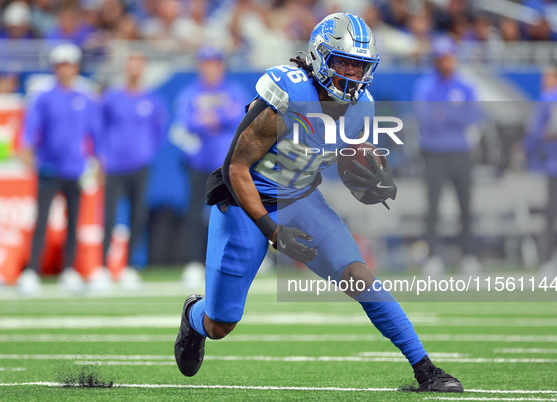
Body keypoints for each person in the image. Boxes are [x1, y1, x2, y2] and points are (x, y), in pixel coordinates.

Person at [174, 13, 463, 393]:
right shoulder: (289, 92)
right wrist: (274, 232)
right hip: (247, 203)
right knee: (221, 324)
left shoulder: (363, 105)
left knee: (361, 278)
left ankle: (425, 369)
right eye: (344, 62)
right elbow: (236, 168)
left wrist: (373, 177)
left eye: (361, 66)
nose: (353, 74)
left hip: (300, 197)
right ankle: (194, 317)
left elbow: (345, 156)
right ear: (320, 56)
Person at [16, 43, 100, 296]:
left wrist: (98, 158)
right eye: (61, 65)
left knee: (73, 222)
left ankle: (69, 271)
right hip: (49, 168)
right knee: (41, 221)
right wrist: (27, 147)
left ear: (75, 67)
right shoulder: (43, 96)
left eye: (69, 65)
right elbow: (32, 128)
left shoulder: (85, 97)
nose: (65, 70)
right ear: (55, 68)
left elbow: (94, 132)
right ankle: (32, 271)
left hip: (75, 169)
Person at [174, 46, 247, 288]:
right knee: (195, 214)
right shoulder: (190, 92)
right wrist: (214, 119)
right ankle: (194, 262)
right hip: (198, 164)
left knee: (234, 213)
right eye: (206, 63)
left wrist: (212, 118)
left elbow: (240, 116)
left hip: (226, 164)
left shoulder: (233, 90)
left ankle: (235, 260)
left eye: (214, 63)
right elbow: (185, 121)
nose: (210, 68)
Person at [412, 36, 481, 276]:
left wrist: (444, 112)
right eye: (442, 58)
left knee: (466, 207)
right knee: (432, 209)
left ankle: (469, 256)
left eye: (449, 57)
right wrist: (451, 113)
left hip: (460, 153)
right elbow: (427, 118)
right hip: (434, 154)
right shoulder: (425, 86)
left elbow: (470, 118)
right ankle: (432, 256)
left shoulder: (465, 86)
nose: (446, 62)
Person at [98, 52, 166, 290]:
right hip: (114, 166)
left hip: (140, 166)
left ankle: (129, 267)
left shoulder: (152, 100)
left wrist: (145, 152)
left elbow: (158, 132)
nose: (134, 70)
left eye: (139, 65)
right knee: (109, 217)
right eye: (131, 65)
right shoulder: (112, 98)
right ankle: (103, 268)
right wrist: (102, 157)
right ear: (125, 69)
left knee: (137, 217)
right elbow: (100, 128)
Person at [525, 58, 557, 282]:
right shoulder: (550, 98)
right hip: (555, 165)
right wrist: (551, 134)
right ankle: (548, 260)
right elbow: (535, 133)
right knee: (552, 214)